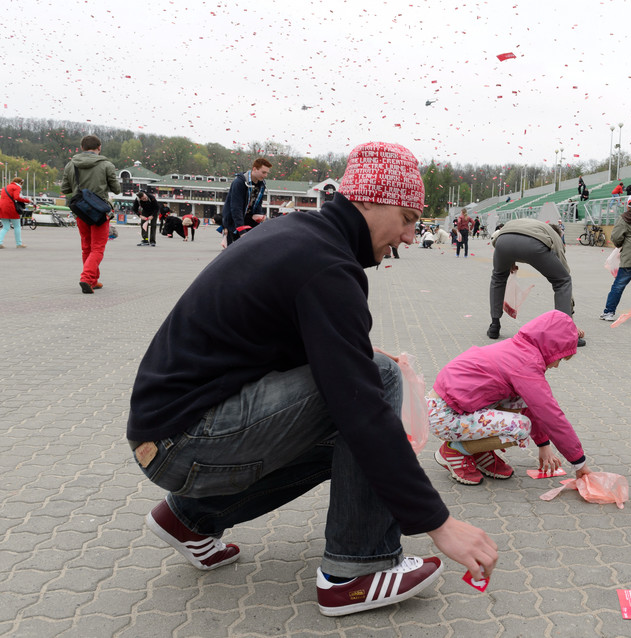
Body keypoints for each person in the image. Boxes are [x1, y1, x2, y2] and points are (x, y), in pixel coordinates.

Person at [126, 141, 497, 618]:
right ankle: (355, 572)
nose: (409, 236)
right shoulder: (324, 265)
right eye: (406, 218)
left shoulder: (302, 235)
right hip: (188, 440)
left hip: (165, 434)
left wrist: (348, 353)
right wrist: (438, 522)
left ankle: (190, 519)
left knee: (347, 429)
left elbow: (282, 342)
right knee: (378, 385)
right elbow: (360, 407)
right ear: (367, 200)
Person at [430, 310, 592, 485]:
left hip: (449, 409)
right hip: (445, 417)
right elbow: (551, 414)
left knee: (521, 400)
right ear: (552, 347)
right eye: (560, 358)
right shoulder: (526, 364)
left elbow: (534, 406)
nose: (557, 365)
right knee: (521, 428)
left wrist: (543, 445)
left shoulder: (518, 349)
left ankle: (478, 450)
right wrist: (579, 463)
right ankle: (455, 451)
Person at [487, 218, 586, 347]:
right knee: (563, 281)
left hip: (502, 240)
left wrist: (509, 261)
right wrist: (571, 318)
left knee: (498, 278)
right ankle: (565, 333)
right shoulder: (554, 236)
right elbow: (565, 274)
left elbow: (502, 238)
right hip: (533, 244)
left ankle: (494, 325)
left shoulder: (533, 224)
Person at [60, 134, 121, 294]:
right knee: (98, 248)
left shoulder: (71, 165)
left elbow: (65, 189)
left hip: (80, 211)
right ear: (99, 147)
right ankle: (87, 278)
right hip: (100, 211)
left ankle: (93, 280)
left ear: (82, 148)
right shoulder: (106, 165)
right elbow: (117, 189)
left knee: (86, 247)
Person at [223, 158, 272, 245]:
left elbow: (258, 204)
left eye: (267, 173)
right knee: (237, 251)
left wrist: (258, 216)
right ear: (254, 169)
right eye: (263, 172)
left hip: (249, 219)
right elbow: (236, 208)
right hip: (235, 221)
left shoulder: (262, 185)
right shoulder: (239, 183)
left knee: (254, 247)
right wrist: (241, 231)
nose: (265, 175)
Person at [0, 177, 31, 249]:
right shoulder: (16, 187)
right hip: (10, 207)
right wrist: (27, 201)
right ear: (20, 183)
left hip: (2, 207)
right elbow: (16, 197)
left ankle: (0, 242)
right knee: (17, 226)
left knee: (5, 227)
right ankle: (19, 243)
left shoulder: (6, 187)